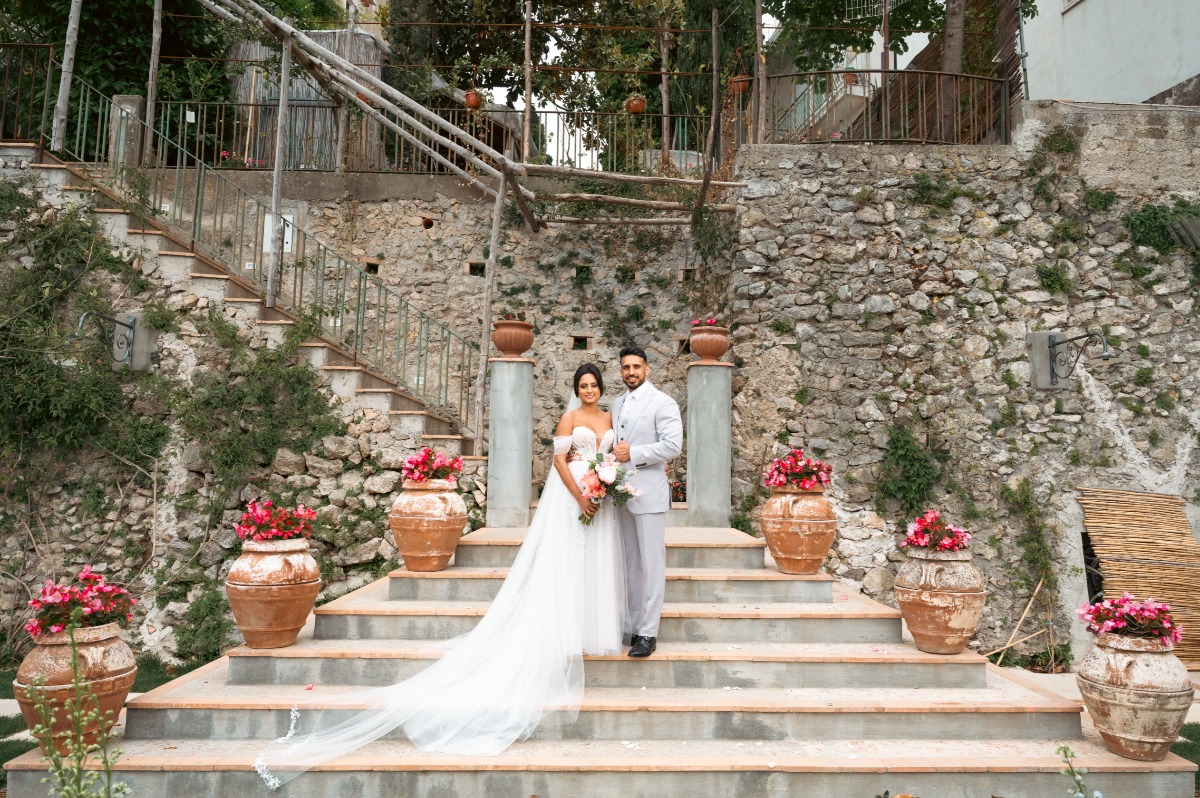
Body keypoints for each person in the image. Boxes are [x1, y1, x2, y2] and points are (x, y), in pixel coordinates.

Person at [254, 364, 626, 789]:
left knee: (592, 564)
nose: (590, 391)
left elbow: (611, 455)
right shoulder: (570, 418)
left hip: (601, 497)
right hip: (572, 497)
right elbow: (559, 461)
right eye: (583, 386)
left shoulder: (609, 418)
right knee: (566, 563)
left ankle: (589, 628)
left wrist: (605, 485)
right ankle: (561, 630)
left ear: (601, 388)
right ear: (576, 389)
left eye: (594, 385)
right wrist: (581, 496)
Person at [609, 346, 683, 658]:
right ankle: (632, 624)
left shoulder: (663, 402)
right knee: (629, 563)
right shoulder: (616, 403)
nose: (631, 372)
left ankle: (648, 633)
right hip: (620, 494)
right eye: (626, 367)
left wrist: (635, 454)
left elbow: (673, 445)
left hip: (649, 493)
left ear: (647, 369)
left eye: (636, 367)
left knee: (651, 565)